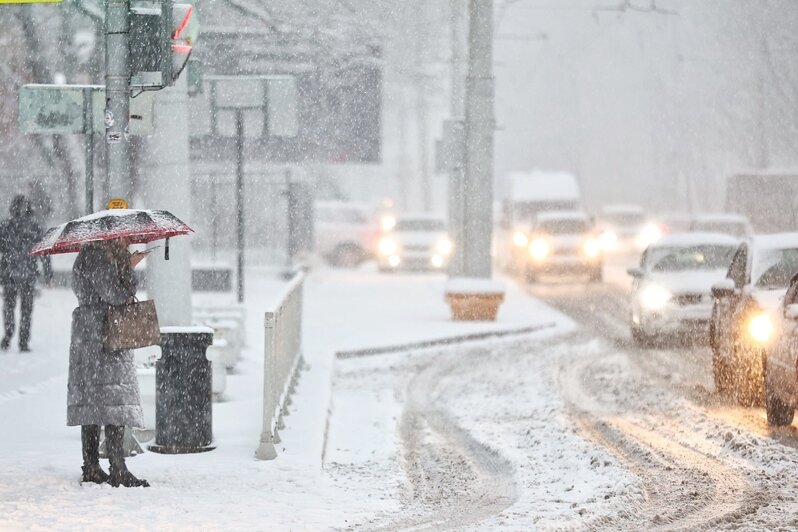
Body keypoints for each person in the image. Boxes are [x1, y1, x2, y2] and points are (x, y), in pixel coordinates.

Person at [68, 238, 151, 487]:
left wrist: (125, 265)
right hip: (101, 335)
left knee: (100, 400)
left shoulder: (99, 255)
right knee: (108, 400)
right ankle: (113, 467)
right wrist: (129, 266)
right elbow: (116, 294)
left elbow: (118, 293)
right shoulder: (96, 256)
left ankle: (96, 466)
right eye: (125, 237)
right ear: (111, 236)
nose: (129, 240)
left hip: (100, 334)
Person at [0, 195, 52, 352]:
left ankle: (8, 335)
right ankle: (23, 341)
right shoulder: (35, 228)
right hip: (28, 275)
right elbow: (44, 253)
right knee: (26, 309)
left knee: (9, 307)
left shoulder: (5, 227)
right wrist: (48, 275)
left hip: (9, 274)